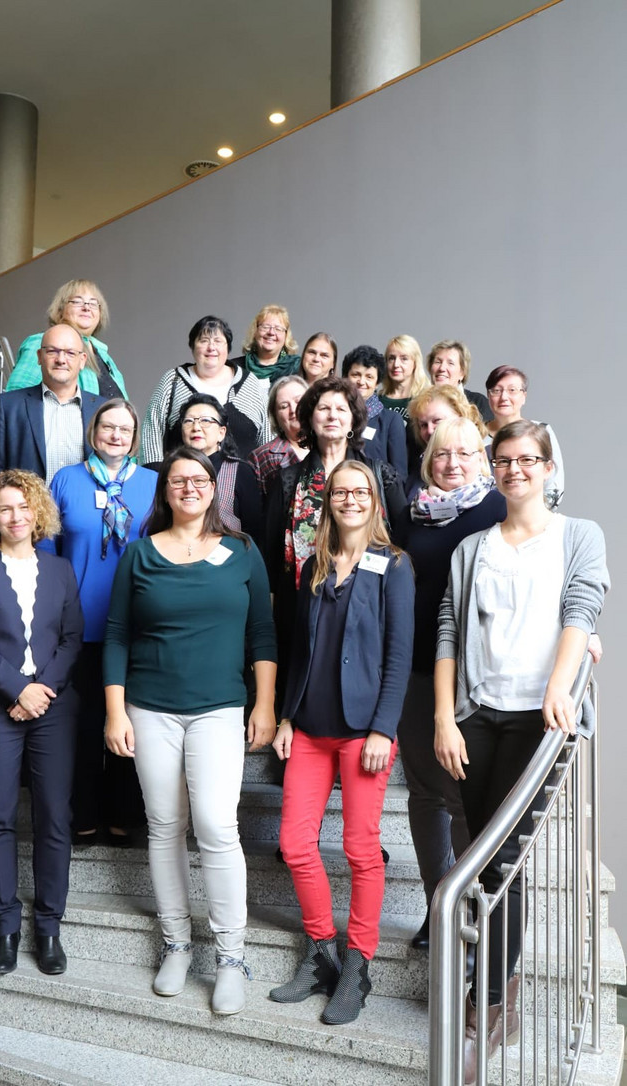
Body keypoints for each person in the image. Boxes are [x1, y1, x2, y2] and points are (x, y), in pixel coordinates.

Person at [434, 420, 608, 1083]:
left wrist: (561, 687)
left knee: (502, 857)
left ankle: (493, 1000)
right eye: (502, 460)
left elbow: (581, 608)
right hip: (478, 713)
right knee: (482, 854)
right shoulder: (473, 547)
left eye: (526, 460)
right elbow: (448, 627)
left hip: (541, 715)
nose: (514, 470)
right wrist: (444, 717)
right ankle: (491, 982)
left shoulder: (579, 535)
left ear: (548, 466)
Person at [103, 448, 277, 1016]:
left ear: (214, 488)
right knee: (164, 824)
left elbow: (262, 637)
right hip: (150, 708)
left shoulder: (244, 553)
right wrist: (115, 711)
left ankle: (231, 957)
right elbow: (118, 635)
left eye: (198, 479)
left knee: (215, 825)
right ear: (165, 491)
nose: (189, 487)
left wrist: (266, 706)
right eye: (178, 480)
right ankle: (177, 944)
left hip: (219, 708)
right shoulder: (138, 555)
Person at [269, 462, 414, 1024]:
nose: (350, 500)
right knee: (296, 844)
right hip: (309, 727)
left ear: (374, 501)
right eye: (341, 492)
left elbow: (399, 656)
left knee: (360, 849)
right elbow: (298, 652)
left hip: (362, 733)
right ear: (327, 502)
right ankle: (321, 952)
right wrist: (285, 716)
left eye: (361, 492)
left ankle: (359, 963)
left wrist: (383, 727)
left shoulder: (394, 566)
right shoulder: (313, 566)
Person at [0, 470, 83, 977]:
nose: (15, 517)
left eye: (23, 507)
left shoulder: (60, 571)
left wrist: (38, 692)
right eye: (5, 509)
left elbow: (72, 640)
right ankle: (5, 929)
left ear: (38, 513)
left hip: (52, 706)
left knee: (54, 818)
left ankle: (48, 929)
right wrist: (17, 690)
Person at [392, 418, 506, 951]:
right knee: (424, 795)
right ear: (427, 460)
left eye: (464, 453)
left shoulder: (497, 510)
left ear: (481, 460)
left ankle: (472, 913)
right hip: (416, 668)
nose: (452, 462)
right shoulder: (411, 516)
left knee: (464, 798)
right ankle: (436, 907)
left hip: (476, 676)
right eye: (441, 454)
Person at [42, 399, 157, 847]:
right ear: (93, 433)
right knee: (85, 725)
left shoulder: (151, 482)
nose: (115, 435)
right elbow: (48, 551)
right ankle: (84, 816)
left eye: (124, 429)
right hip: (78, 624)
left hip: (135, 626)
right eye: (107, 427)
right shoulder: (66, 480)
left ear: (134, 437)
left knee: (132, 723)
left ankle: (123, 816)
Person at [265, 375, 406, 699]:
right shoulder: (287, 481)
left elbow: (401, 543)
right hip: (302, 612)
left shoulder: (379, 475)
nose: (332, 416)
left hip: (368, 608)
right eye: (323, 408)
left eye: (340, 409)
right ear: (310, 419)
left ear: (353, 420)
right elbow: (271, 557)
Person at [0, 324, 105, 485]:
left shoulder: (102, 409)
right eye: (52, 351)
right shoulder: (9, 406)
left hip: (84, 509)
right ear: (39, 356)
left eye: (70, 353)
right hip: (26, 509)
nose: (61, 360)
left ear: (82, 360)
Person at [140, 316, 270, 464]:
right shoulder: (172, 380)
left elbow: (267, 438)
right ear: (192, 347)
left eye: (218, 341)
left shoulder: (250, 382)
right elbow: (151, 433)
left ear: (228, 347)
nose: (211, 347)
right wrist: (154, 476)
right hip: (184, 482)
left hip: (242, 484)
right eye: (204, 340)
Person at [6, 279, 127, 399]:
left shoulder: (105, 356)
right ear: (61, 309)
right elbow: (17, 397)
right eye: (77, 302)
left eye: (93, 303)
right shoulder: (43, 342)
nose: (86, 308)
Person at [175, 394, 262, 542]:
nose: (196, 427)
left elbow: (255, 531)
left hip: (230, 559)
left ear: (221, 433)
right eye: (189, 421)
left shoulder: (240, 471)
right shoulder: (171, 471)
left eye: (205, 421)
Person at [484, 365, 564, 508]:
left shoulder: (541, 431)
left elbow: (554, 486)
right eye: (496, 391)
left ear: (524, 396)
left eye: (512, 390)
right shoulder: (474, 434)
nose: (504, 397)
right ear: (489, 396)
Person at [405, 384, 486, 498]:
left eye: (437, 420)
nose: (430, 430)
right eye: (423, 425)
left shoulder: (485, 461)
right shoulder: (416, 469)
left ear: (461, 415)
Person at [342, 344, 407, 478]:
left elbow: (400, 474)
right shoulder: (335, 416)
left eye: (369, 377)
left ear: (377, 382)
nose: (361, 381)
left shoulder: (391, 420)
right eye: (356, 375)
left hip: (377, 494)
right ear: (345, 377)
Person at [248, 375, 308, 496]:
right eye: (284, 406)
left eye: (299, 401)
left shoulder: (329, 445)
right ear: (275, 417)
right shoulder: (261, 457)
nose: (293, 410)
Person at [230, 304, 300, 387]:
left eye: (278, 329)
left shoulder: (297, 369)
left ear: (286, 336)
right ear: (255, 332)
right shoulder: (234, 367)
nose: (271, 332)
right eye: (265, 327)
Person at [427, 340, 493, 422]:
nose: (442, 368)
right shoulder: (420, 404)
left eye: (450, 363)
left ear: (462, 373)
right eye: (438, 362)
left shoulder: (479, 403)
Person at [380, 334, 430, 422]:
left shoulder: (426, 398)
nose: (396, 364)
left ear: (415, 363)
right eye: (392, 358)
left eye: (404, 359)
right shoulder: (377, 401)